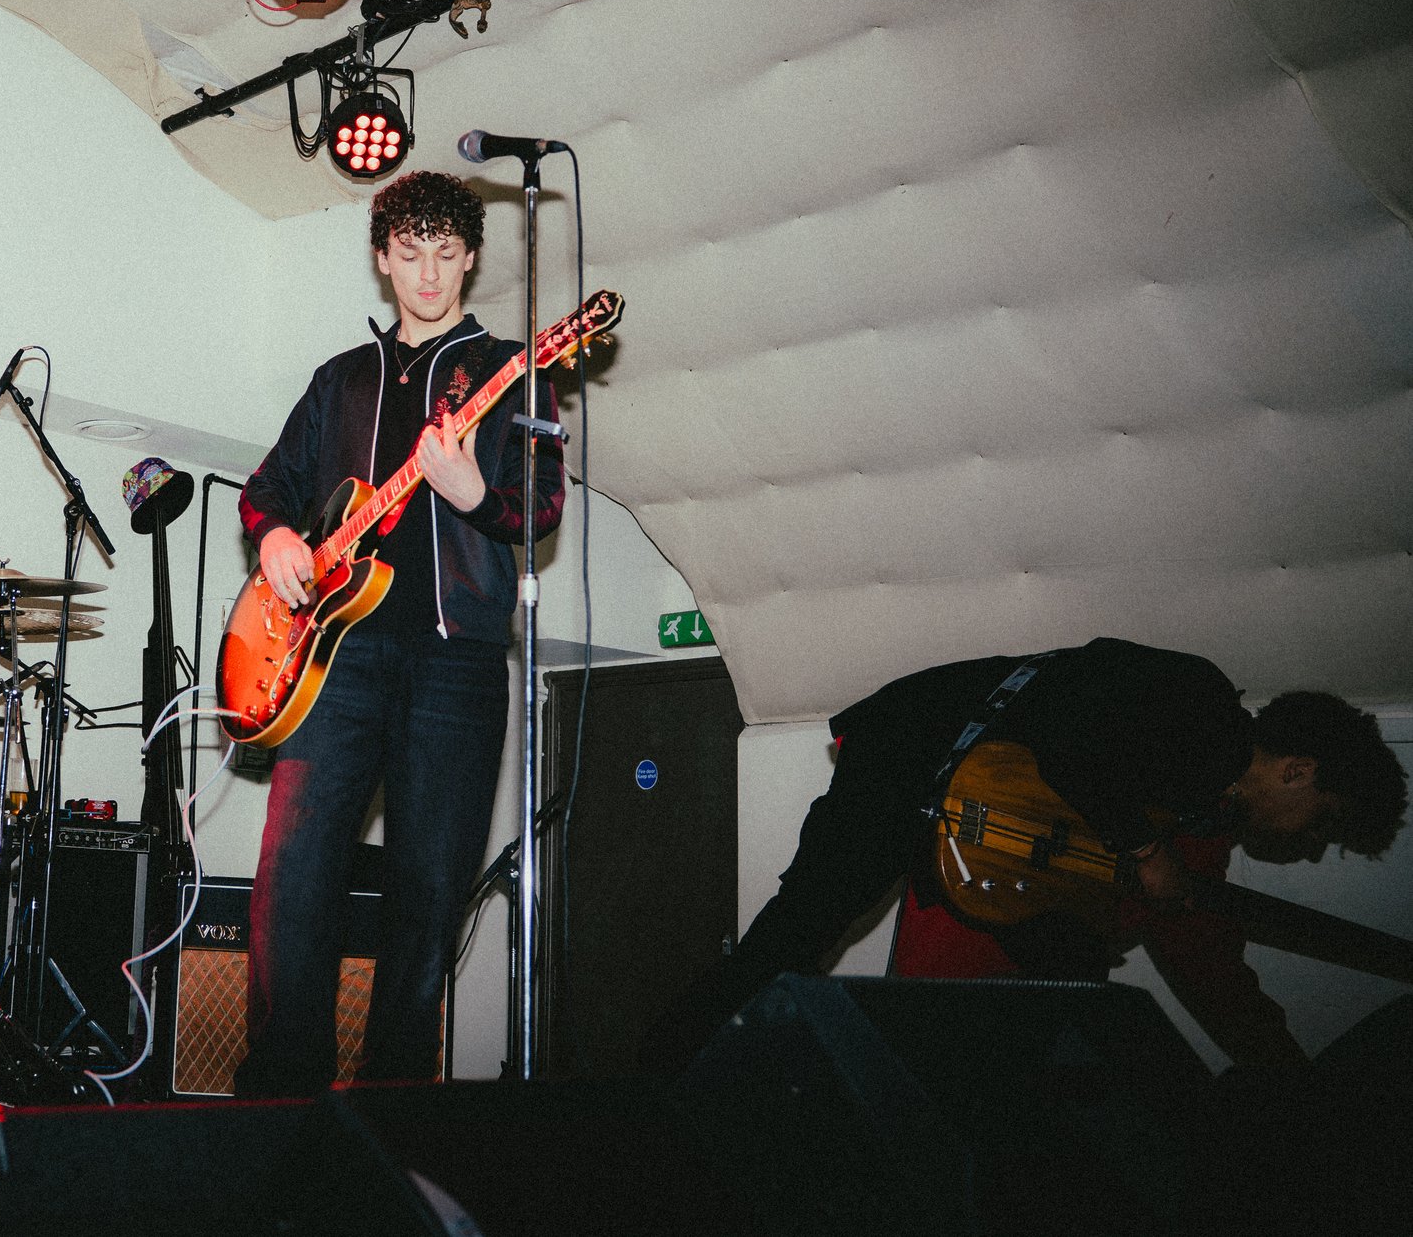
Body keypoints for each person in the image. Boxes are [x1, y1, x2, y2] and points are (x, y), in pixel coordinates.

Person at [644, 637, 1407, 1073]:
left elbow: (1200, 949)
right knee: (792, 939)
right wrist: (1144, 847)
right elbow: (1070, 729)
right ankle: (651, 1081)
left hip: (984, 832)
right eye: (1323, 823)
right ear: (1298, 768)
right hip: (917, 753)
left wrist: (1284, 1071)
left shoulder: (1205, 818)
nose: (1309, 844)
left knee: (1066, 977)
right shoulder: (1199, 703)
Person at [234, 169, 564, 1095]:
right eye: (410, 254)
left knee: (428, 893)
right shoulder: (339, 380)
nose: (429, 275)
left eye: (447, 255)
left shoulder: (508, 369)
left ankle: (393, 1110)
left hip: (455, 664)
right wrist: (279, 540)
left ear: (471, 259)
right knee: (293, 877)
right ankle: (282, 1101)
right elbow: (266, 492)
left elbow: (539, 501)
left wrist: (473, 493)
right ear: (383, 259)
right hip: (333, 659)